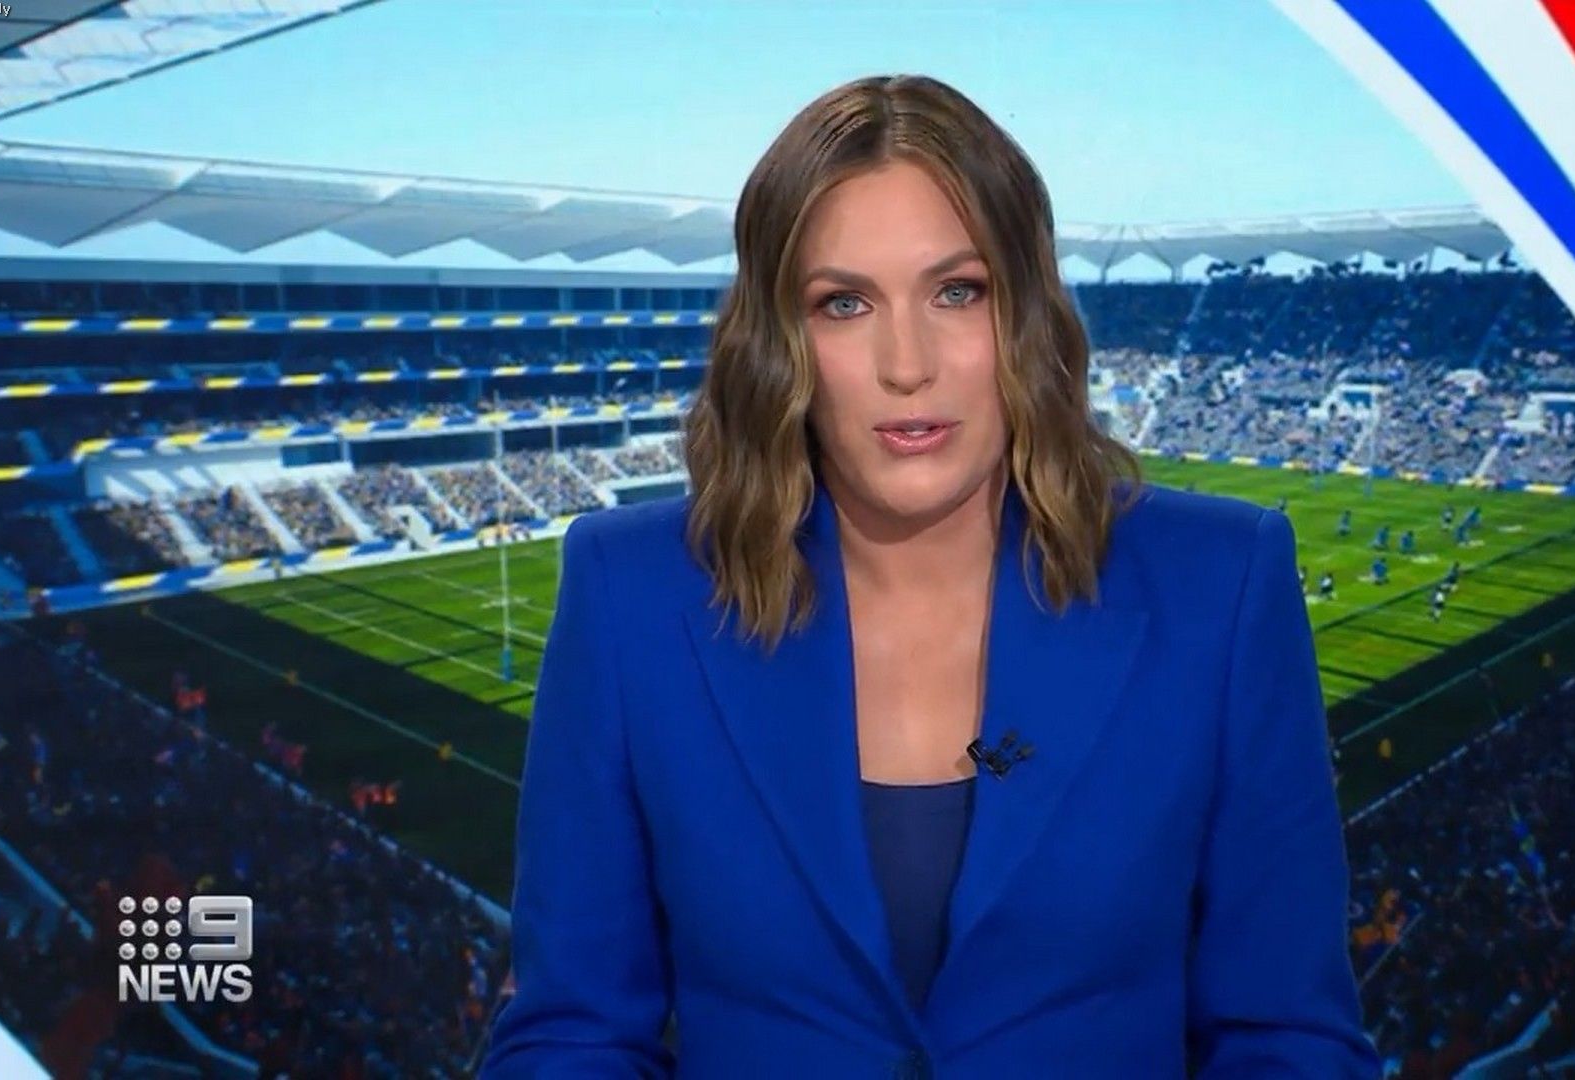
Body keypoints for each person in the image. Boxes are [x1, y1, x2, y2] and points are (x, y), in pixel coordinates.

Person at [482, 75, 1378, 1078]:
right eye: (843, 303)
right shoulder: (628, 593)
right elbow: (574, 1035)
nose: (906, 363)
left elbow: (1286, 1037)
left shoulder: (1222, 585)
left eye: (959, 292)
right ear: (779, 344)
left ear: (1027, 314)